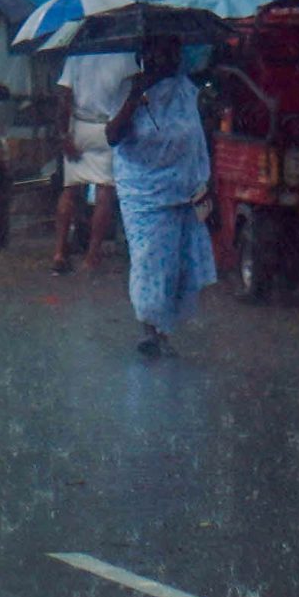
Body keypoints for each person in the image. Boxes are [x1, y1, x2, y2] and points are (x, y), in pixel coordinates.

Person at [107, 36, 217, 358]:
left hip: (183, 190)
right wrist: (134, 99)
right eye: (157, 54)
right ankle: (149, 329)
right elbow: (113, 136)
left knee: (175, 266)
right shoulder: (129, 89)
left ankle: (163, 330)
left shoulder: (187, 92)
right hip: (144, 191)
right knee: (148, 259)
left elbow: (198, 137)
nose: (165, 61)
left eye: (171, 53)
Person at [51, 48, 134, 275]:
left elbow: (64, 96)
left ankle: (59, 252)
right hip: (107, 126)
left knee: (69, 190)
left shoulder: (77, 55)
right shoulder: (126, 56)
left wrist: (63, 134)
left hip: (79, 126)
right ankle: (92, 255)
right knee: (104, 191)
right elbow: (131, 97)